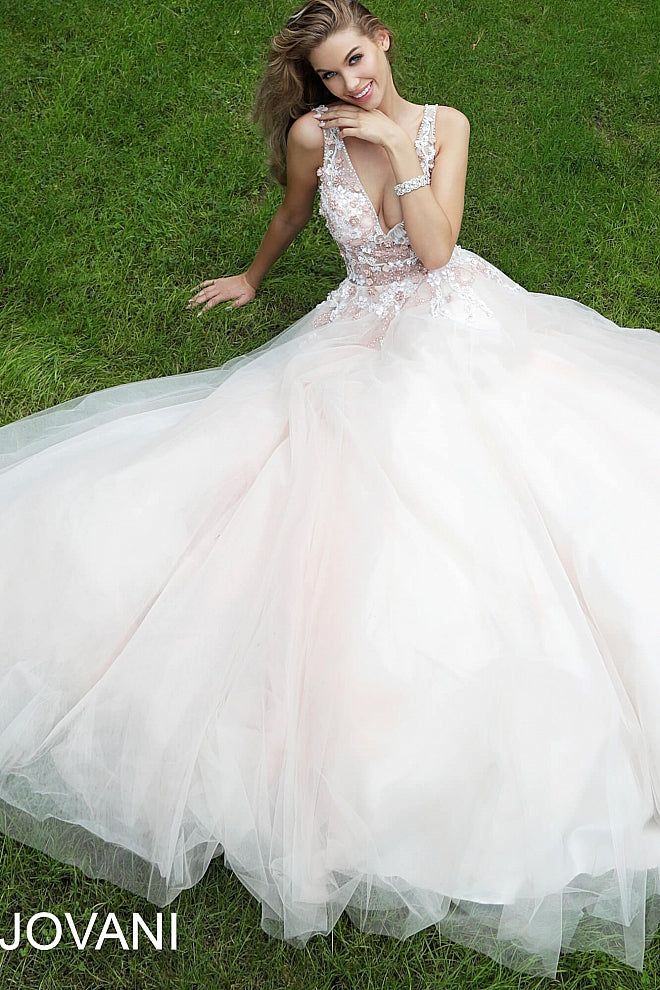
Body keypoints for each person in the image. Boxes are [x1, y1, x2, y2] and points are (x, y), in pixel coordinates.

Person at [0, 0, 659, 979]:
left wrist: (396, 142)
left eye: (358, 60)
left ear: (382, 39)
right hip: (357, 330)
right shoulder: (316, 136)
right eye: (332, 76)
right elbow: (295, 213)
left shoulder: (445, 125)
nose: (352, 84)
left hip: (456, 326)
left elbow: (435, 251)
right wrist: (253, 276)